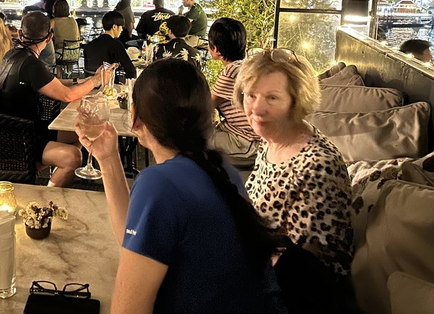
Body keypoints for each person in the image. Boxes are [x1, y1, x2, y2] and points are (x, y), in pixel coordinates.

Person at [76, 59, 284, 314]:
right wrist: (108, 158)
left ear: (135, 118)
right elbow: (132, 240)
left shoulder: (160, 185)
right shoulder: (221, 170)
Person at [236, 49, 353, 311]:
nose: (256, 108)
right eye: (251, 95)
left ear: (296, 101)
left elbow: (305, 267)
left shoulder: (317, 166)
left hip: (293, 295)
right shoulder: (271, 141)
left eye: (272, 98)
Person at [0, 12, 112, 187]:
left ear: (19, 34)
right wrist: (96, 81)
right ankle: (47, 199)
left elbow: (49, 83)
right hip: (20, 139)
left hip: (12, 129)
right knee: (73, 157)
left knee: (80, 133)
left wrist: (82, 81)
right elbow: (66, 95)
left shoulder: (12, 55)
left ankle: (56, 175)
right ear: (49, 38)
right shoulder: (31, 64)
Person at [205, 18, 258, 166]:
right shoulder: (247, 65)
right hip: (249, 136)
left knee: (187, 141)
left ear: (215, 49)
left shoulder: (231, 71)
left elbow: (206, 105)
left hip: (244, 141)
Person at [84, 11, 137, 79]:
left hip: (89, 85)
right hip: (109, 85)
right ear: (114, 27)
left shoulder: (89, 45)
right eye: (121, 27)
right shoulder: (116, 45)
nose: (121, 30)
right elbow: (130, 69)